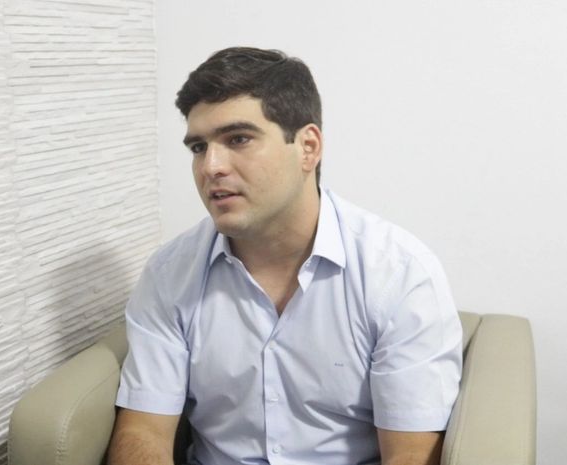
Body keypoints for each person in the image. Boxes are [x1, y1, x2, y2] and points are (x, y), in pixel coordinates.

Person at [107, 47, 462, 465]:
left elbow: (411, 455)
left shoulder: (398, 273)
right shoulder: (170, 274)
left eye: (238, 139)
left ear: (308, 147)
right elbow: (143, 431)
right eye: (199, 147)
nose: (211, 167)